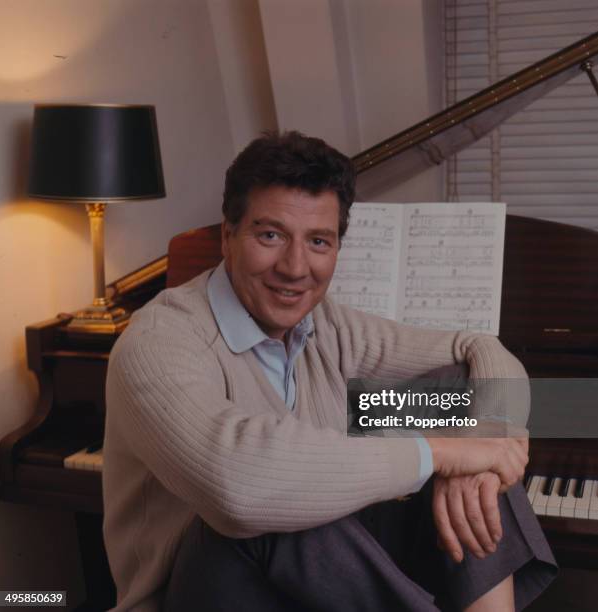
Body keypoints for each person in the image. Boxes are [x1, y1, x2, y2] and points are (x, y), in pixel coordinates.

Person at [103, 131, 556, 611]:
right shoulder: (156, 342)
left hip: (308, 583)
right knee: (278, 501)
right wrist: (438, 453)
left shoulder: (329, 328)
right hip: (197, 593)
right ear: (227, 236)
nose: (296, 267)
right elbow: (239, 487)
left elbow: (476, 347)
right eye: (270, 235)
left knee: (466, 413)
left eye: (318, 241)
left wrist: (478, 453)